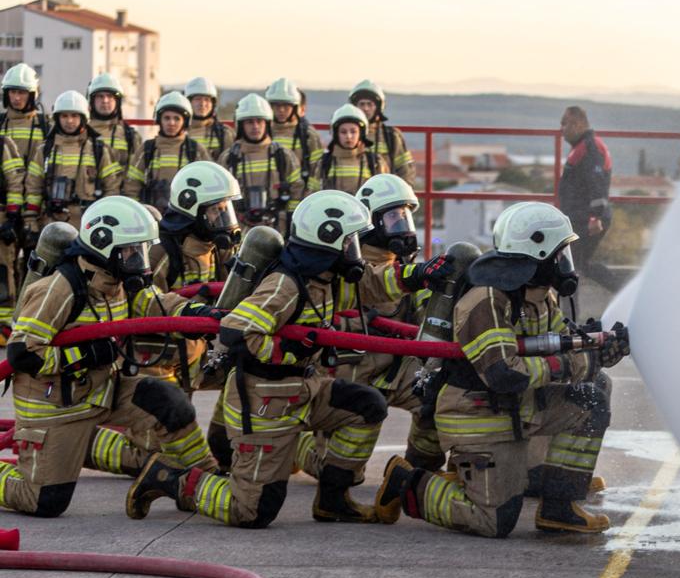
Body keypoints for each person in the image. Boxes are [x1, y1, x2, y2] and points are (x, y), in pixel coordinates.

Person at [125, 190, 453, 528]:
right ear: (327, 241)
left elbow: (372, 285)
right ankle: (167, 479)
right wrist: (284, 350)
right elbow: (236, 332)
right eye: (350, 241)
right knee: (251, 511)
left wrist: (420, 274)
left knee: (366, 406)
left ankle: (333, 500)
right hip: (264, 401)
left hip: (304, 388)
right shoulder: (287, 285)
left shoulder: (325, 277)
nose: (355, 248)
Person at [376, 201, 628, 538]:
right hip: (477, 412)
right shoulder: (487, 300)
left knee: (593, 394)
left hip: (514, 407)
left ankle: (559, 507)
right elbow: (504, 374)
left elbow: (560, 346)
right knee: (494, 520)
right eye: (560, 254)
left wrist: (598, 348)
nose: (564, 263)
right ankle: (407, 482)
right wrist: (580, 362)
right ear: (536, 254)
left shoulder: (539, 295)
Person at [0, 196, 216, 516]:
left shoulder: (117, 280)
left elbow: (158, 304)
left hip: (105, 388)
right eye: (131, 251)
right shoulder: (59, 289)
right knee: (45, 502)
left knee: (167, 400)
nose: (139, 260)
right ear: (104, 246)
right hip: (57, 405)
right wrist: (81, 354)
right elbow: (23, 354)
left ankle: (207, 475)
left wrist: (200, 314)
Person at [293, 174, 444, 477]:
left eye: (405, 216)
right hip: (350, 369)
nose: (402, 226)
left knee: (438, 397)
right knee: (337, 471)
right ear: (372, 223)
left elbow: (425, 321)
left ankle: (417, 472)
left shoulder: (408, 268)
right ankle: (296, 446)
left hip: (396, 368)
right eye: (393, 217)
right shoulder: (341, 264)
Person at [133, 160, 242, 393]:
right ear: (193, 210)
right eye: (216, 211)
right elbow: (143, 302)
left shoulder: (213, 249)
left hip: (190, 355)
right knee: (166, 426)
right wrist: (189, 312)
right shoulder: (162, 252)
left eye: (226, 210)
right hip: (156, 360)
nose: (224, 220)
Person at [27, 91, 118, 231]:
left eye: (74, 116)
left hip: (88, 225)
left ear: (83, 118)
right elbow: (33, 188)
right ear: (57, 118)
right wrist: (31, 221)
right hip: (52, 222)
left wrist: (105, 222)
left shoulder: (98, 150)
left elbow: (111, 188)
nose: (69, 121)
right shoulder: (44, 150)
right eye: (64, 116)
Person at [220, 93, 303, 235]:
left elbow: (297, 190)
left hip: (277, 228)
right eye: (249, 122)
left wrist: (289, 222)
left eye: (260, 121)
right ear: (240, 125)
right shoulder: (229, 158)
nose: (255, 126)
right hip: (239, 228)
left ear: (268, 124)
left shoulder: (284, 155)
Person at [0, 63, 45, 318]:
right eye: (13, 92)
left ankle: (28, 316)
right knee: (5, 265)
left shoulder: (45, 126)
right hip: (6, 207)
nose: (17, 98)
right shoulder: (0, 123)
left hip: (35, 210)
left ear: (33, 95)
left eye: (23, 93)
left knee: (32, 263)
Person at [557, 106, 615, 288]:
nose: (562, 129)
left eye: (565, 124)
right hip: (579, 218)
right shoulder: (581, 147)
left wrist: (595, 217)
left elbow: (596, 183)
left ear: (577, 124)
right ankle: (622, 291)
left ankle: (622, 289)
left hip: (587, 220)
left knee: (572, 266)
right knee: (575, 265)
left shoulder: (590, 148)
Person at [125, 92, 209, 212]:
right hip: (151, 214)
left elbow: (207, 185)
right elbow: (131, 184)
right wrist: (138, 211)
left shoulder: (196, 150)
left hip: (187, 215)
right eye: (167, 118)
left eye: (177, 118)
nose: (171, 123)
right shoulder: (147, 148)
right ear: (159, 120)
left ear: (185, 122)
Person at [265, 77, 321, 204]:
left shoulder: (308, 135)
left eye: (286, 106)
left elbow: (317, 169)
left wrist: (309, 196)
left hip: (300, 197)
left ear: (295, 107)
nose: (281, 110)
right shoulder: (263, 133)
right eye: (276, 106)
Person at [347, 80, 414, 184]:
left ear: (378, 107)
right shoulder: (346, 134)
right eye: (362, 104)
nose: (365, 108)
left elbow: (405, 170)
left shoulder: (391, 136)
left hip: (384, 193)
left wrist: (402, 194)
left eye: (370, 104)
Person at [85, 72, 140, 195]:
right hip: (88, 200)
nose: (105, 101)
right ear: (92, 101)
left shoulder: (130, 136)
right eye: (100, 96)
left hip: (121, 200)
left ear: (118, 101)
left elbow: (137, 173)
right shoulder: (83, 133)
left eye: (110, 96)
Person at [313, 104, 387, 194]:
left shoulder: (375, 162)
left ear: (361, 134)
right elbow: (313, 193)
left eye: (353, 131)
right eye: (343, 132)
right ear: (336, 134)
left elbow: (384, 193)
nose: (348, 136)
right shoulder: (324, 162)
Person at [184, 76, 233, 159]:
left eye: (207, 100)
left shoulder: (224, 133)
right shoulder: (179, 132)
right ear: (188, 102)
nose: (202, 104)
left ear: (213, 104)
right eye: (197, 99)